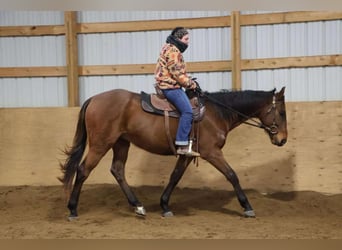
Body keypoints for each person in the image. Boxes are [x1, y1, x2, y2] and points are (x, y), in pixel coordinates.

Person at [154, 27, 200, 157]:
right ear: (179, 39)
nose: (188, 42)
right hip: (170, 87)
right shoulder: (174, 52)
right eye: (186, 39)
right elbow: (177, 74)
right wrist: (192, 84)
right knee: (187, 111)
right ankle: (182, 144)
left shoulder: (167, 47)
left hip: (165, 84)